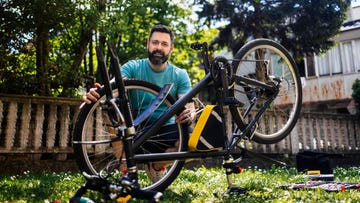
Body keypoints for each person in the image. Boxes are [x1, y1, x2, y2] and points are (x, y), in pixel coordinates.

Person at [82, 25, 195, 182]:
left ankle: (157, 166)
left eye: (164, 44)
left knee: (194, 142)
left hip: (166, 131)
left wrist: (190, 113)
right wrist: (98, 93)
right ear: (148, 43)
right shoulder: (133, 67)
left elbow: (188, 104)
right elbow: (114, 86)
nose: (159, 47)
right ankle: (126, 172)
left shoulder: (180, 75)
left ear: (171, 48)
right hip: (135, 130)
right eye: (155, 42)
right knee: (112, 106)